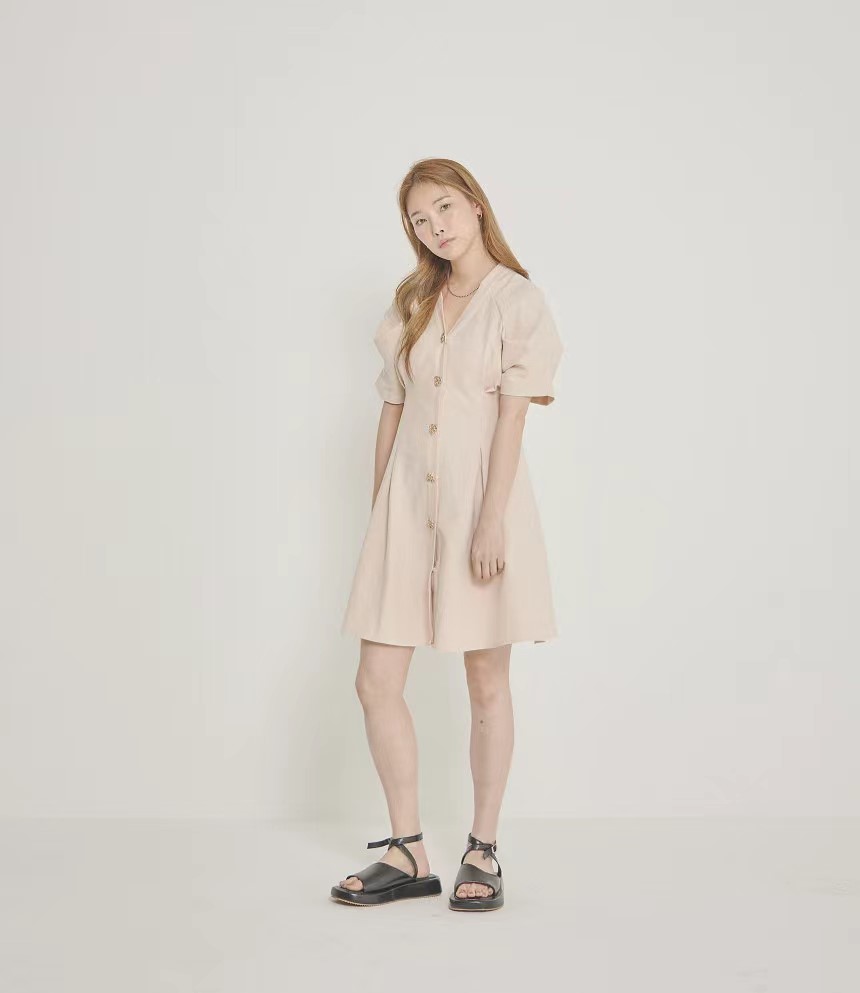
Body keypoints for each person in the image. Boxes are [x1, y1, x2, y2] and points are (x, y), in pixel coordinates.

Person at [332, 157, 564, 911]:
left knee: (486, 680)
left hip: (479, 508)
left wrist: (491, 520)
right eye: (418, 220)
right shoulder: (413, 302)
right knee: (375, 680)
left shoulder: (517, 301)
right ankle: (407, 851)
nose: (434, 227)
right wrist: (380, 511)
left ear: (474, 203)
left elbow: (512, 419)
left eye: (443, 208)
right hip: (405, 509)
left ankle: (483, 848)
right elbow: (393, 408)